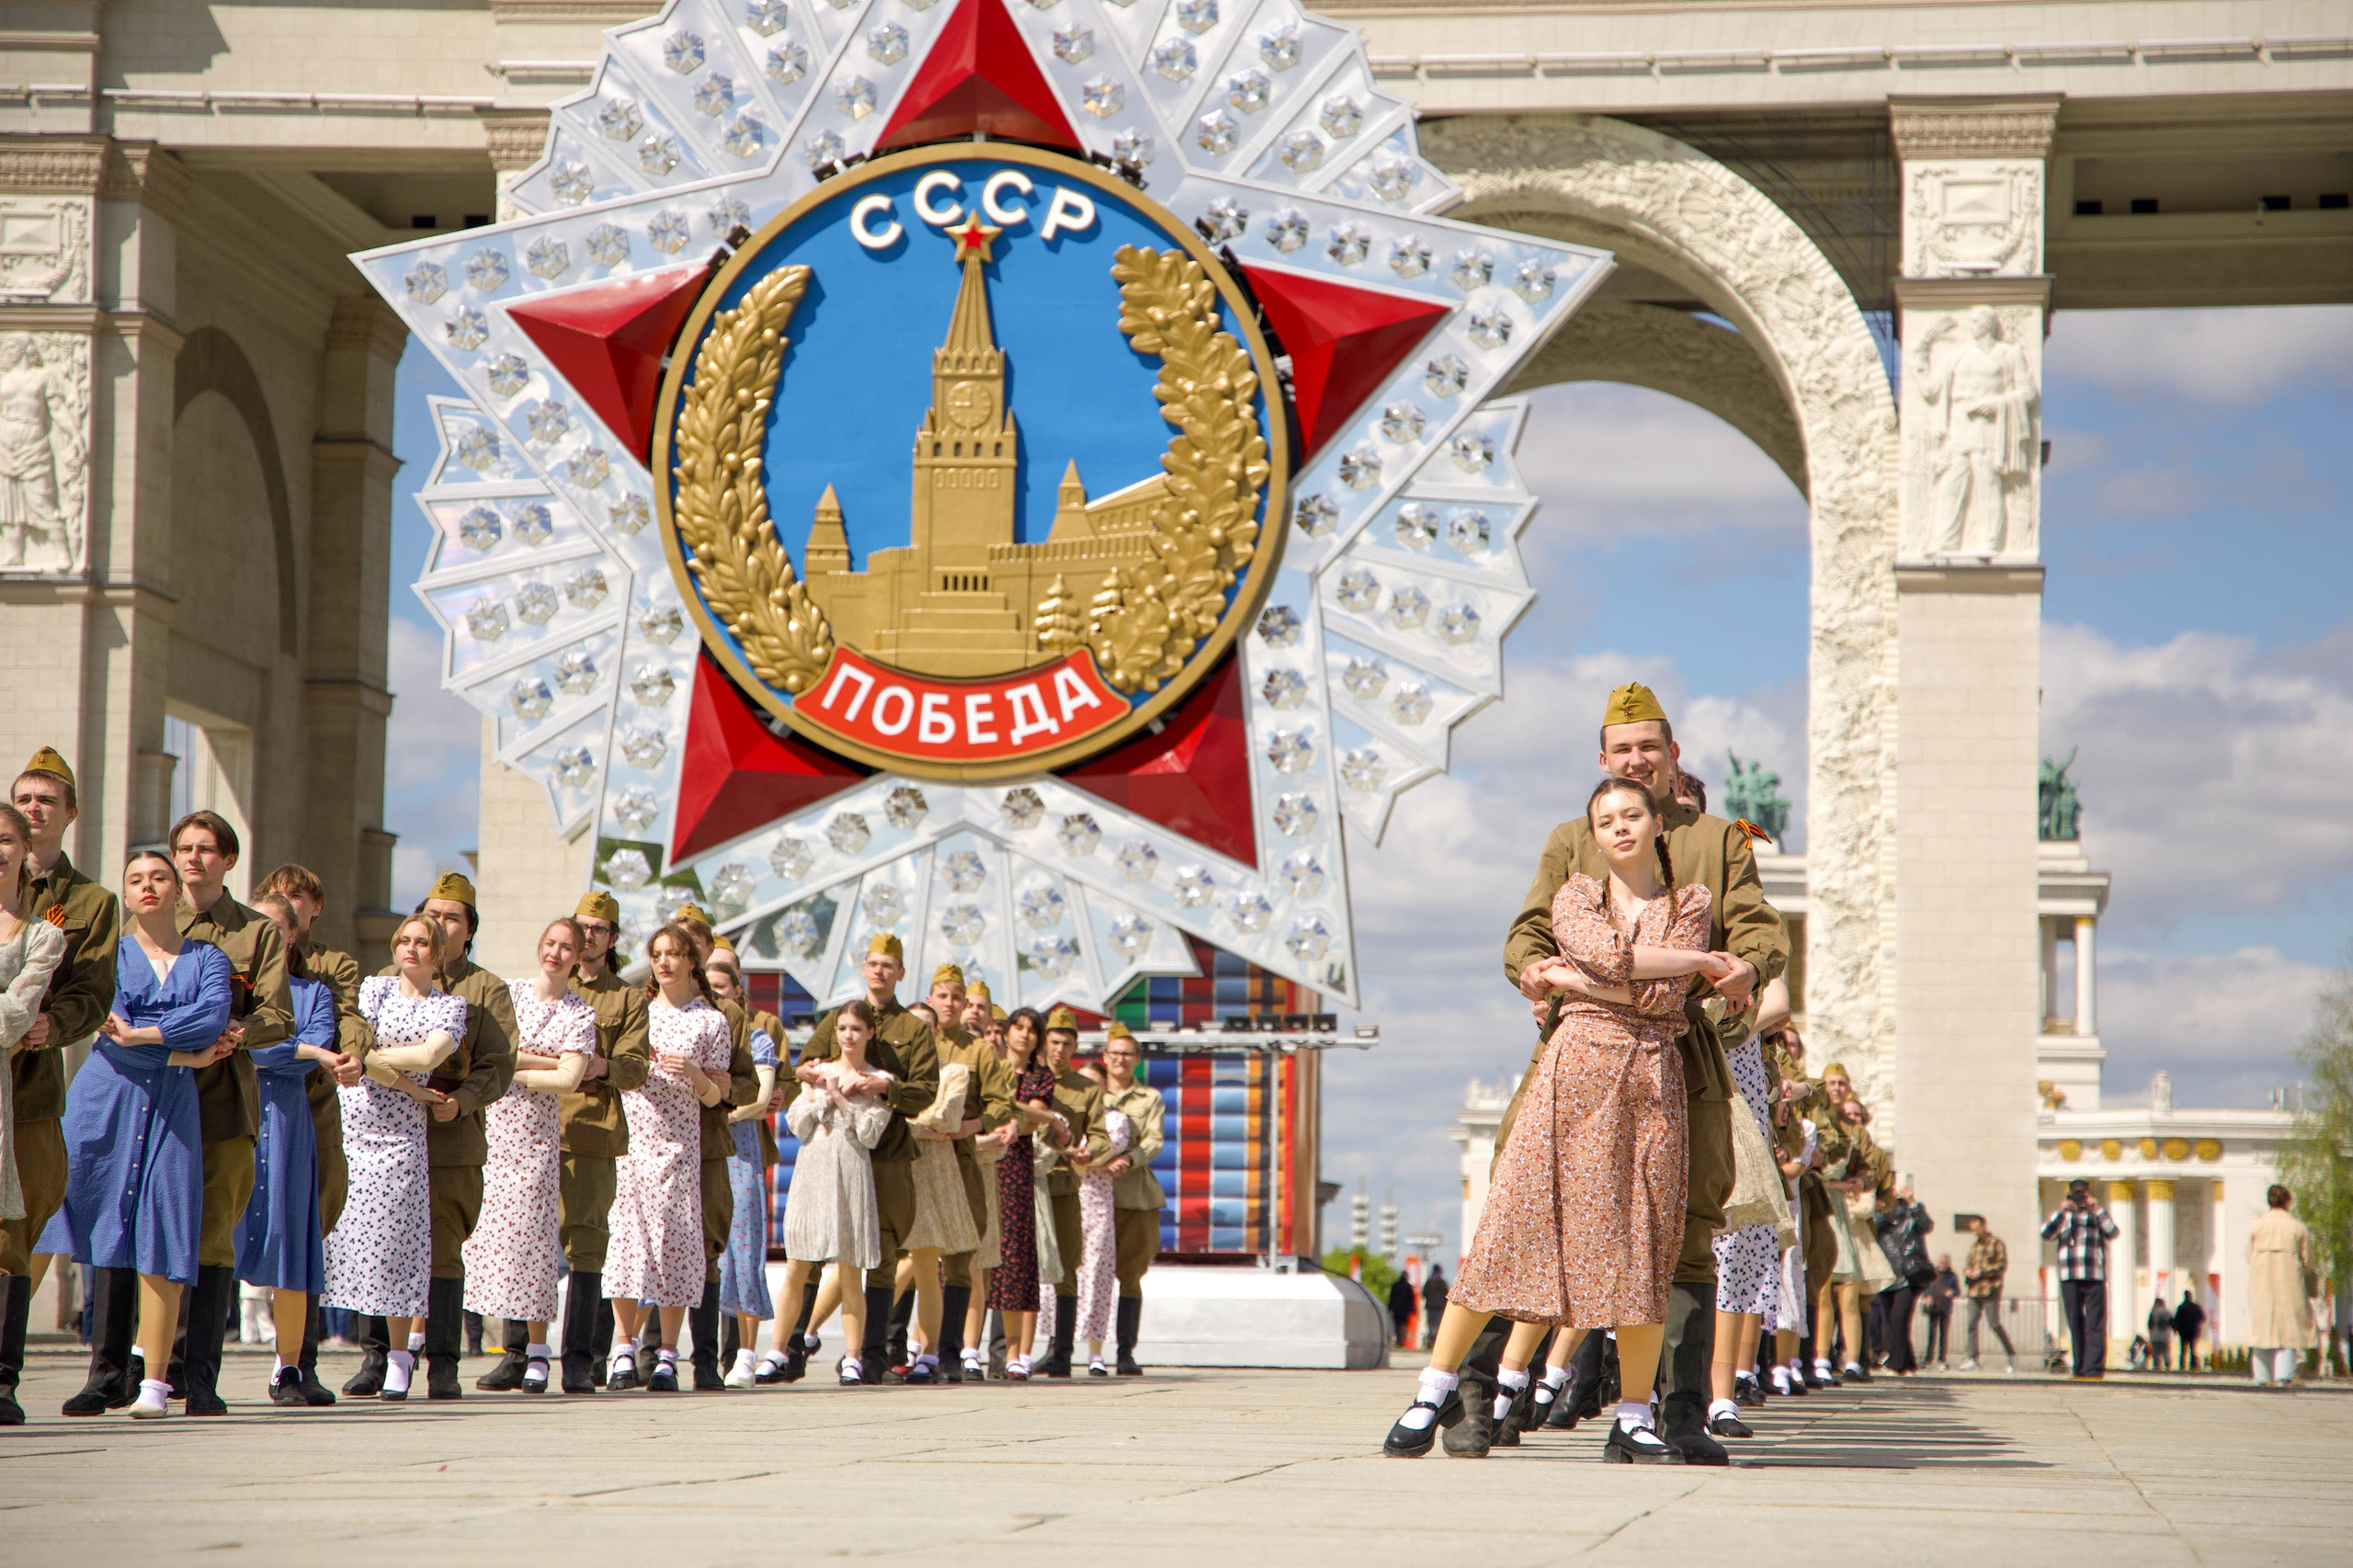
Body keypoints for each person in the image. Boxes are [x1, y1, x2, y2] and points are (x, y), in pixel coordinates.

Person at [1389, 774, 1731, 1464]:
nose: (1621, 828)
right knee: (1511, 1227)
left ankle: (1635, 1414)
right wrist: (1695, 960)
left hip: (1649, 1083)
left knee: (1643, 1244)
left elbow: (1664, 997)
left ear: (1656, 824)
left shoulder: (1692, 900)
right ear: (1595, 835)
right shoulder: (1576, 893)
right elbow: (1617, 959)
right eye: (1607, 821)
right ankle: (1433, 1388)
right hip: (1569, 1080)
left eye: (1633, 815)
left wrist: (1582, 982)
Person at [1490, 683, 1788, 1464]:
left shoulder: (1721, 841)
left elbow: (1758, 932)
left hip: (1681, 1063)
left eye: (1648, 748)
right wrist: (1531, 971)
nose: (1636, 761)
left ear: (1672, 755)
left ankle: (1679, 1411)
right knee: (1526, 1212)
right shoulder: (1570, 840)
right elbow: (1524, 933)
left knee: (1688, 1233)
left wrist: (1739, 980)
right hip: (1576, 1059)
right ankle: (1475, 1398)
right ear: (1601, 760)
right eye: (1622, 751)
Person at [40, 850, 229, 1419]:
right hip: (106, 1097)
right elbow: (109, 1013)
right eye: (136, 880)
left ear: (177, 890)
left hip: (173, 1103)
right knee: (89, 1220)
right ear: (126, 893)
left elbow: (212, 1017)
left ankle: (154, 1382)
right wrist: (183, 1053)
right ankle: (99, 1375)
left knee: (165, 1224)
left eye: (160, 878)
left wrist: (144, 1034)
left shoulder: (209, 957)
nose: (149, 887)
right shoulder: (110, 954)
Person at [3, 751, 120, 1427]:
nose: (35, 807)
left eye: (48, 799)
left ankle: (3, 1378)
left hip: (31, 1088)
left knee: (19, 1228)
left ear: (70, 813)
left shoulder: (88, 903)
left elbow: (92, 991)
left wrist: (55, 1024)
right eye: (25, 797)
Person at [171, 811, 295, 1415]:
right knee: (154, 1230)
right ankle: (135, 1367)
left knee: (212, 1236)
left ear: (228, 859)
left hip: (224, 1100)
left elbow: (280, 1015)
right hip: (158, 1100)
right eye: (184, 849)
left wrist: (242, 1031)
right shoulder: (149, 920)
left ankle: (199, 1375)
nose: (192, 859)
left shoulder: (255, 933)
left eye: (205, 849)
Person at [380, 872, 516, 1402]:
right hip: (389, 1131)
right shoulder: (387, 981)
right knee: (384, 1240)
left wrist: (463, 1102)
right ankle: (379, 1359)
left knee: (442, 1250)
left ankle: (442, 1364)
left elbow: (498, 1064)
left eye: (452, 917)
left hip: (448, 1133)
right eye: (431, 914)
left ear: (468, 930)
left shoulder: (486, 989)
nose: (438, 924)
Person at [328, 915, 462, 1400]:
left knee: (397, 1245)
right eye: (404, 940)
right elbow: (351, 1045)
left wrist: (378, 1060)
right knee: (351, 1240)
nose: (412, 949)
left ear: (439, 952)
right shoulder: (373, 990)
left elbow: (429, 1057)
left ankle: (402, 1356)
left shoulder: (451, 1006)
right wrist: (410, 1086)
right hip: (354, 1129)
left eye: (422, 942)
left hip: (401, 1138)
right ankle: (366, 1354)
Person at [795, 933, 938, 1382]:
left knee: (882, 1252)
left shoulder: (913, 1030)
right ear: (864, 968)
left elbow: (926, 1091)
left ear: (900, 972)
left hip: (889, 1155)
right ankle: (793, 1348)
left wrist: (883, 1087)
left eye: (888, 965)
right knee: (817, 1248)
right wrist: (819, 1074)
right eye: (873, 963)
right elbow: (803, 1064)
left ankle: (871, 1355)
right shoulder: (841, 1016)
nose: (879, 971)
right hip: (836, 1156)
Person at [251, 864, 369, 1405]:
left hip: (307, 1110)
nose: (287, 908)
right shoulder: (224, 965)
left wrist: (347, 1055)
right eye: (276, 900)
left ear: (310, 911)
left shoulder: (328, 970)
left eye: (296, 899)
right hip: (239, 1105)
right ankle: (179, 1362)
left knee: (303, 1237)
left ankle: (298, 1365)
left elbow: (347, 1022)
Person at [464, 918, 597, 1393]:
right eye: (550, 944)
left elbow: (568, 1080)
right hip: (495, 1135)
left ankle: (539, 1351)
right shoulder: (511, 993)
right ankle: (510, 1351)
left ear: (578, 957)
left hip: (537, 1141)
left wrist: (514, 1065)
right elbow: (488, 1053)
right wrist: (544, 1060)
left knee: (535, 1244)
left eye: (567, 948)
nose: (556, 954)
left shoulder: (580, 1013)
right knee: (494, 1242)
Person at [600, 924, 732, 1392]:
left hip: (679, 1146)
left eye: (674, 954)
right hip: (633, 1141)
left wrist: (696, 1075)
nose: (665, 962)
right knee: (626, 1244)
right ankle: (623, 1347)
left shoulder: (710, 1021)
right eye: (657, 954)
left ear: (692, 961)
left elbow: (718, 1096)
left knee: (675, 1244)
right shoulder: (639, 1011)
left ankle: (668, 1355)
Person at [233, 893, 346, 1406]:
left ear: (293, 933)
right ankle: (183, 1364)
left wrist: (275, 1048)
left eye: (274, 925)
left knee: (291, 1243)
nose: (262, 932)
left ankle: (291, 1368)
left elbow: (306, 1058)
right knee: (214, 1237)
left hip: (286, 1121)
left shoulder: (313, 993)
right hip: (229, 1113)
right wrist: (299, 1047)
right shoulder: (227, 983)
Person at [558, 891, 650, 1393]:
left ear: (612, 939)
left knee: (585, 1245)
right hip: (535, 1128)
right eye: (581, 926)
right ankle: (517, 1355)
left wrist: (602, 1066)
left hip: (591, 1130)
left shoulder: (626, 998)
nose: (587, 935)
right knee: (521, 1239)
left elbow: (635, 1069)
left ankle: (578, 1358)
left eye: (598, 929)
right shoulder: (547, 987)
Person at [666, 910, 761, 1392]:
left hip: (707, 1142)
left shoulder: (728, 1015)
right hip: (656, 1142)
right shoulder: (650, 1003)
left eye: (693, 944)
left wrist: (725, 1087)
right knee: (653, 1245)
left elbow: (748, 1083)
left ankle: (705, 1360)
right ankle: (648, 1357)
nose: (685, 953)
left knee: (706, 1244)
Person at [779, 998, 894, 1384]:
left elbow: (870, 1134)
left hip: (851, 1172)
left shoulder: (877, 1080)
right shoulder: (817, 1071)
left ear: (869, 1033)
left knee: (850, 1270)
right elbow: (795, 1124)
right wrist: (821, 1097)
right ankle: (778, 1351)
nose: (848, 1035)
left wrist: (845, 1100)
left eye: (856, 1029)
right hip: (814, 1171)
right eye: (843, 1028)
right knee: (799, 1263)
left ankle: (852, 1356)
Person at [921, 964, 1012, 1385]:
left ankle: (950, 1354)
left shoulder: (979, 1052)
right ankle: (887, 1350)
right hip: (915, 1160)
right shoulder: (914, 1041)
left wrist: (969, 1127)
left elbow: (1000, 1105)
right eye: (944, 996)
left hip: (960, 1161)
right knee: (906, 1257)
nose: (951, 1004)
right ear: (931, 998)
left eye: (957, 998)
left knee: (960, 1257)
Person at [704, 943, 780, 1389]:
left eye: (722, 987)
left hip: (741, 1154)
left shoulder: (757, 1037)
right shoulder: (699, 1033)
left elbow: (759, 1098)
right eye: (708, 988)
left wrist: (721, 1111)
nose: (716, 995)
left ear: (738, 991)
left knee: (745, 1252)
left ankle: (747, 1352)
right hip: (703, 1154)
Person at [1036, 1006, 1110, 1379]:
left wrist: (1089, 1151)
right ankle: (1006, 1353)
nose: (1059, 1050)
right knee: (1015, 1265)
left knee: (1067, 1265)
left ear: (1076, 1046)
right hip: (1025, 1181)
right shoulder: (1028, 1079)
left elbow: (1100, 1135)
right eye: (1054, 1042)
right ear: (1043, 1042)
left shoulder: (1087, 1089)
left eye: (1067, 1043)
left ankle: (1061, 1353)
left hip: (1063, 1182)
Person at [988, 1007, 1052, 1380]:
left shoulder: (1040, 1077)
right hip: (984, 1161)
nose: (1024, 1035)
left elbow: (1029, 1121)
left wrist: (1013, 1114)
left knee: (1014, 1256)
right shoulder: (990, 1066)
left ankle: (1014, 1352)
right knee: (973, 1256)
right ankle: (962, 1349)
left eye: (1031, 1030)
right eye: (1018, 1027)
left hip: (1015, 1169)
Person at [1100, 1022, 1165, 1375]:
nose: (1121, 1059)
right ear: (1104, 1057)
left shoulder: (1149, 1099)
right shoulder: (1090, 1092)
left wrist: (1129, 1159)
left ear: (1137, 1059)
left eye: (1127, 1054)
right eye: (1115, 1053)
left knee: (1131, 1275)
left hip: (1136, 1196)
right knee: (1079, 1273)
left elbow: (1154, 1141)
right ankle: (1063, 1349)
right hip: (1094, 1196)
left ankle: (1125, 1351)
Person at [2041, 1177, 2119, 1380]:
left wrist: (2097, 1208)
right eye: (2076, 1194)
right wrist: (2063, 1211)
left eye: (2083, 1194)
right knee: (2075, 1322)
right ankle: (2080, 1368)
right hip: (2070, 1275)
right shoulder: (2063, 1217)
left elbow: (2112, 1231)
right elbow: (2046, 1234)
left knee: (2096, 1323)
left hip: (2094, 1274)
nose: (2080, 1198)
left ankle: (2094, 1369)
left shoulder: (2096, 1215)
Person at [2246, 1184, 2317, 1386]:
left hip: (2261, 1283)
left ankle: (2261, 1376)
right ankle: (2283, 1376)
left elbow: (2248, 1256)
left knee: (2262, 1330)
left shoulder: (2257, 1226)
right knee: (2289, 1330)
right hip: (2290, 1283)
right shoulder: (2297, 1227)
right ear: (2288, 1201)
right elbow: (2309, 1260)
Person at [1872, 1180, 1933, 1375]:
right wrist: (1881, 1209)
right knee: (1891, 1321)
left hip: (1909, 1273)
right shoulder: (1880, 1208)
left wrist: (1912, 1203)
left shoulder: (1911, 1210)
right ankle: (1908, 1363)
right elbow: (1873, 1228)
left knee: (1899, 1318)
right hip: (1886, 1272)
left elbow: (1926, 1225)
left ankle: (1896, 1364)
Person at [1959, 1214, 2017, 1372]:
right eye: (1973, 1230)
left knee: (1994, 1323)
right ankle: (1973, 1358)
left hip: (1990, 1288)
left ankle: (2011, 1354)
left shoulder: (1996, 1243)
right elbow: (1969, 1262)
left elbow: (2001, 1265)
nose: (1975, 1232)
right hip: (1974, 1290)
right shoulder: (1975, 1246)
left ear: (1984, 1226)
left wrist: (1982, 1271)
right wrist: (1968, 1271)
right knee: (1971, 1323)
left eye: (1977, 1229)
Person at [1924, 1253, 1960, 1369]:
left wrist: (1951, 1293)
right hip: (1934, 1306)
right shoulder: (1933, 1273)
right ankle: (1928, 1358)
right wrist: (1927, 1296)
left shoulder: (1952, 1276)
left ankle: (1942, 1359)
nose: (1941, 1265)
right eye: (1940, 1262)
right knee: (1931, 1334)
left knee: (1943, 1335)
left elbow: (1957, 1291)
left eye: (1944, 1263)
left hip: (1945, 1307)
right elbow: (1926, 1286)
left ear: (1948, 1264)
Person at [2172, 1290, 2205, 1371]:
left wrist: (2176, 1329)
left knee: (2183, 1349)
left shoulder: (2181, 1307)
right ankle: (2193, 1364)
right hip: (2194, 1331)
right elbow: (2202, 1318)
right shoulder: (2196, 1307)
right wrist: (2197, 1324)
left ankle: (2182, 1365)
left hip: (2183, 1332)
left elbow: (2176, 1320)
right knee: (2193, 1349)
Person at [1420, 1264, 1449, 1350]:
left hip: (1431, 1306)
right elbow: (1447, 1294)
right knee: (1438, 1323)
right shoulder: (1442, 1282)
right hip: (1440, 1306)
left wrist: (1430, 1299)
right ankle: (1436, 1340)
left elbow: (1424, 1293)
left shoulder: (1429, 1282)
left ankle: (1431, 1338)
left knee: (1431, 1323)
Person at [1389, 1271, 1418, 1350]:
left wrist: (1390, 1307)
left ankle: (1398, 1340)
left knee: (1397, 1325)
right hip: (1405, 1309)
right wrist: (1414, 1309)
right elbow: (1411, 1299)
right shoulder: (1408, 1287)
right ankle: (1401, 1342)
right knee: (1403, 1325)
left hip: (1396, 1308)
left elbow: (1391, 1297)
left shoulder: (1395, 1286)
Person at [2144, 1293, 2174, 1372]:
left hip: (2155, 1336)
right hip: (2166, 1336)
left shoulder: (2153, 1312)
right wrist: (2174, 1332)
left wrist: (2150, 1333)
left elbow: (2150, 1324)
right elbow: (2173, 1323)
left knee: (2156, 1353)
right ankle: (2168, 1365)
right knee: (2166, 1352)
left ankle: (2157, 1367)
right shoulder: (2168, 1312)